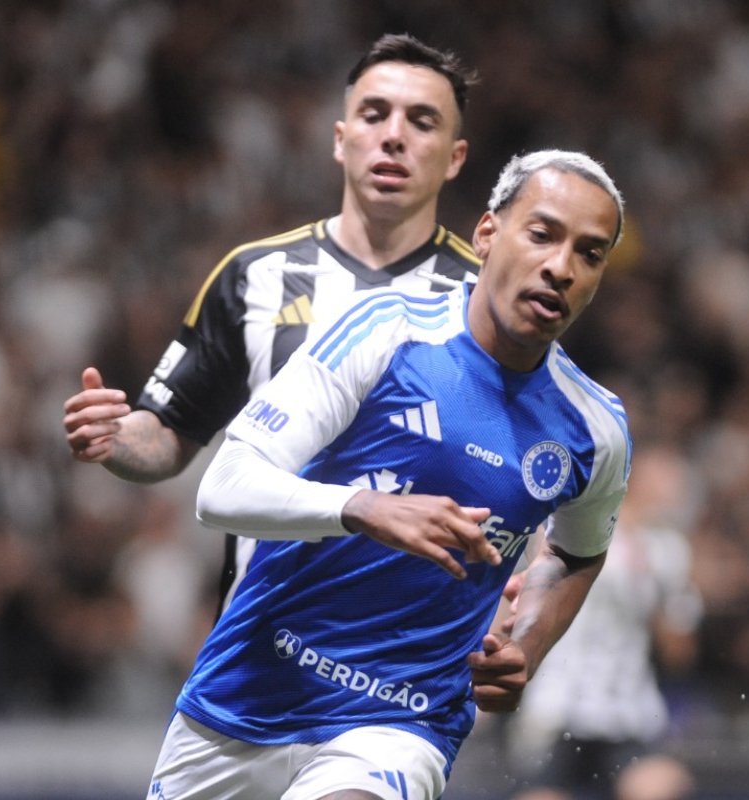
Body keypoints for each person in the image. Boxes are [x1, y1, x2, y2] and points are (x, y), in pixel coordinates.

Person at [147, 149, 631, 800]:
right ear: (488, 234)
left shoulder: (594, 428)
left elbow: (577, 553)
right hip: (248, 692)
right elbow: (224, 487)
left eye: (590, 254)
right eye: (542, 234)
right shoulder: (385, 330)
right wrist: (366, 509)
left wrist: (529, 643)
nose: (561, 267)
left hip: (401, 723)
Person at [62, 33, 481, 616]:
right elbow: (170, 433)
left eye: (422, 121)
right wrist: (115, 438)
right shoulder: (253, 275)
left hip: (406, 650)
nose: (394, 135)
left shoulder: (483, 298)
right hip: (259, 640)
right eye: (374, 113)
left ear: (455, 156)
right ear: (341, 140)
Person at [504, 446, 702, 800]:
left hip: (628, 711)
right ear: (637, 481)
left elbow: (678, 652)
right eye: (668, 481)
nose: (676, 494)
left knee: (659, 787)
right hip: (558, 706)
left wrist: (657, 588)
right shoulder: (573, 528)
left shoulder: (669, 551)